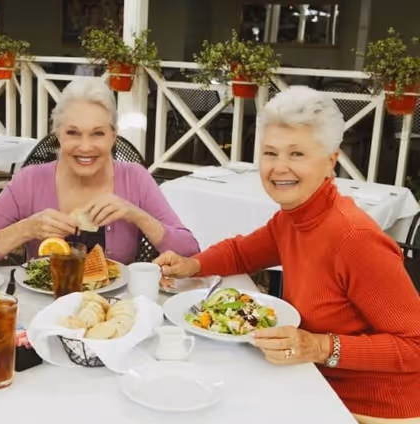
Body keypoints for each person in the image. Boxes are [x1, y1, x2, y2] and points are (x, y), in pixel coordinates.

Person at [154, 86, 420, 424]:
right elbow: (241, 252)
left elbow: (415, 345)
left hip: (369, 408)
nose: (279, 168)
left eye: (297, 154)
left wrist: (319, 346)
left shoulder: (355, 238)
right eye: (270, 153)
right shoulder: (295, 217)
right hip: (310, 380)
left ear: (330, 162)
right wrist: (191, 264)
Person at [0, 78, 199, 267]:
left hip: (113, 316)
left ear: (113, 137)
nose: (85, 147)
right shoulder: (30, 180)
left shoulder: (135, 178)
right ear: (58, 135)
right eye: (73, 133)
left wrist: (136, 215)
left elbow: (190, 251)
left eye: (97, 133)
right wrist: (26, 229)